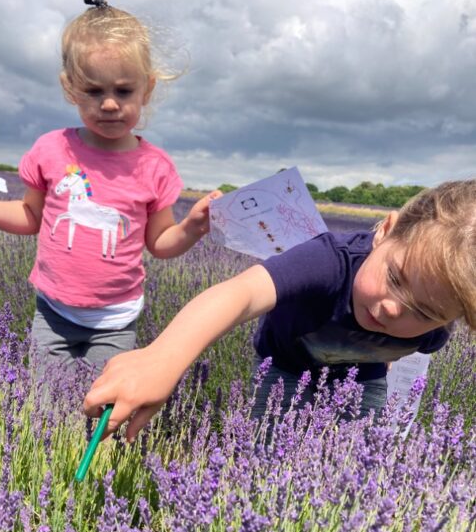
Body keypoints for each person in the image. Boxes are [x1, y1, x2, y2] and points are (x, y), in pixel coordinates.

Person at [0, 0, 219, 376]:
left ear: (147, 89)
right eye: (93, 91)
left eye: (123, 91)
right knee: (46, 404)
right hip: (52, 314)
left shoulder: (155, 167)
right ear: (70, 88)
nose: (109, 104)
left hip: (115, 322)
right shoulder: (52, 149)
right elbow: (31, 215)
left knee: (101, 405)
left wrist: (191, 228)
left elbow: (159, 242)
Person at [83, 180, 476, 439]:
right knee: (268, 447)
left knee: (359, 462)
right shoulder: (328, 262)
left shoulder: (433, 331)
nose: (392, 309)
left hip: (362, 378)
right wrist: (162, 358)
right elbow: (240, 293)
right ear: (385, 232)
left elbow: (407, 355)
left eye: (423, 312)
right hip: (285, 364)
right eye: (395, 278)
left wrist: (385, 365)